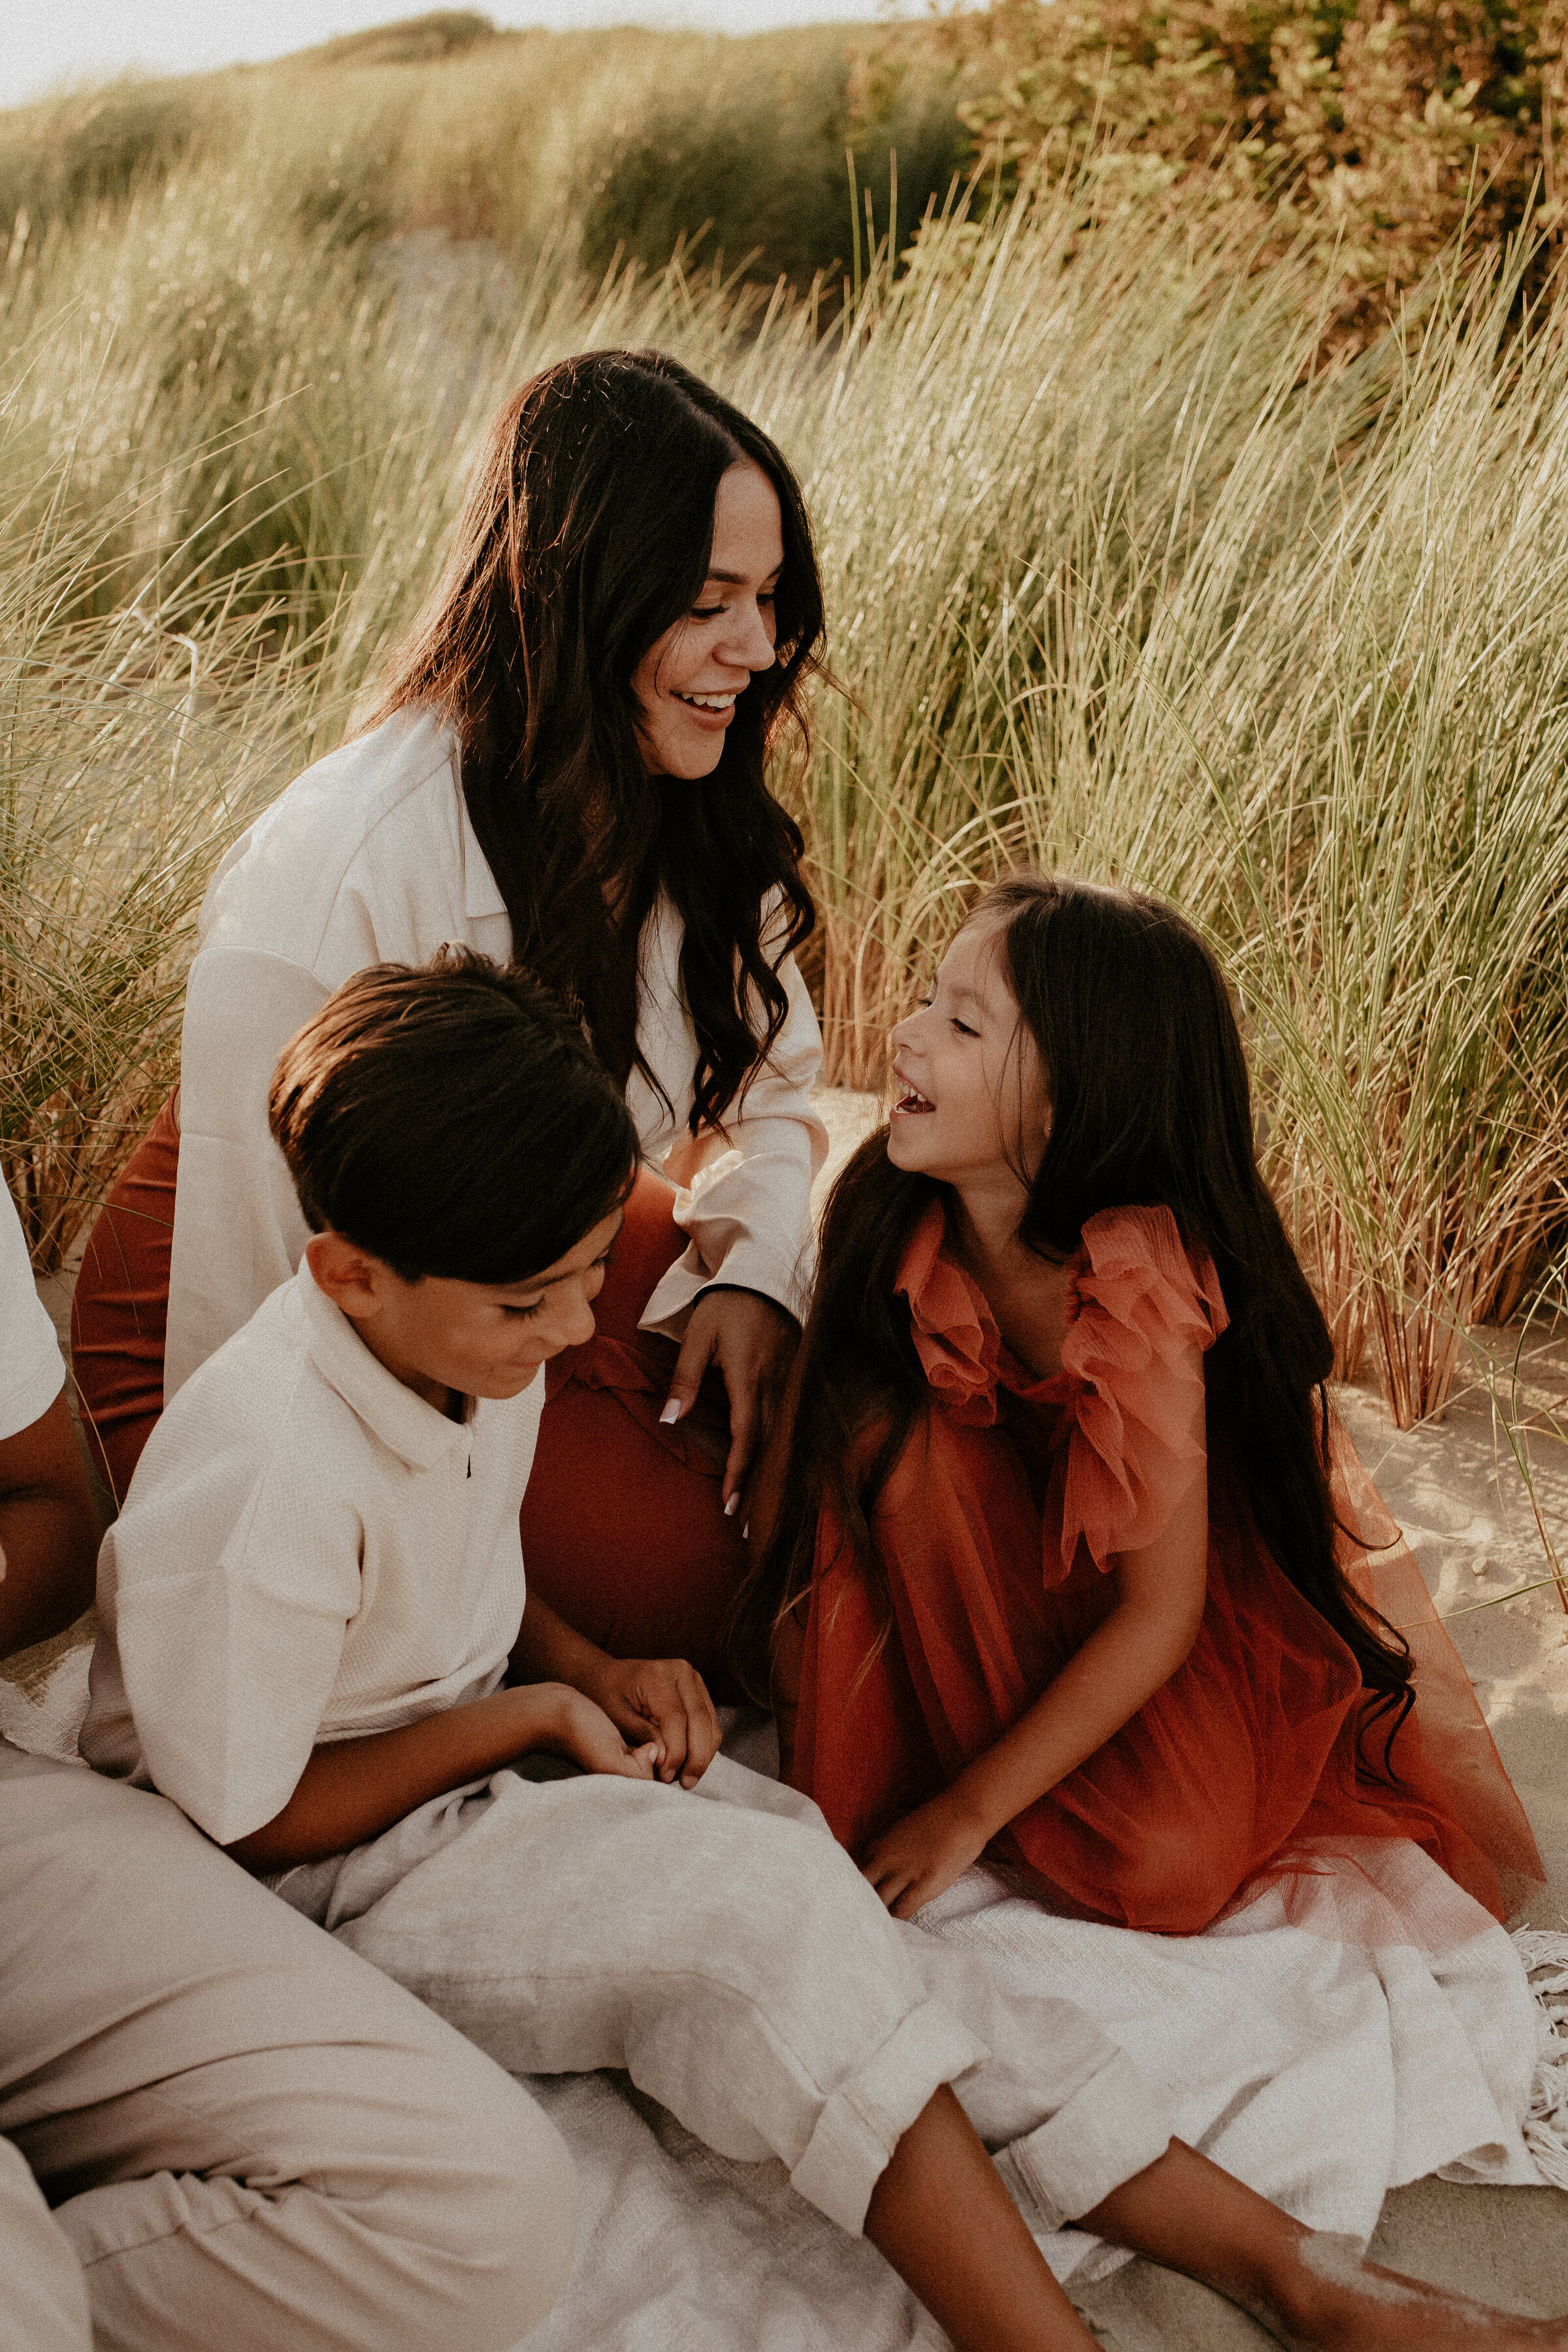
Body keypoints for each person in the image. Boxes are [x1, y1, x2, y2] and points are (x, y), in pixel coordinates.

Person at [78, 951, 1566, 2352]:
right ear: (348, 1278)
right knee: (765, 1942)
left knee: (868, 1944)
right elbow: (250, 1822)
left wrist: (581, 1665)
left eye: (592, 1272)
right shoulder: (263, 1482)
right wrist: (527, 1715)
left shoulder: (475, 1326)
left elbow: (450, 1554)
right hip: (327, 1876)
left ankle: (1299, 2276)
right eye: (535, 1303)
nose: (579, 1324)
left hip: (487, 1763)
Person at [70, 346, 830, 1693]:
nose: (758, 651)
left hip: (539, 1256)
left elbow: (779, 1090)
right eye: (709, 603)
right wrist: (549, 1654)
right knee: (706, 1581)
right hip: (292, 1298)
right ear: (584, 593)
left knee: (822, 1451)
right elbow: (246, 1326)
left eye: (768, 600)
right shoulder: (340, 871)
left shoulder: (688, 796)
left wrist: (760, 1270)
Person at [749, 874, 1543, 1935]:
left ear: (1068, 1098)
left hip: (1121, 1606)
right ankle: (939, 1734)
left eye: (961, 1022)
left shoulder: (1133, 1287)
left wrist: (968, 1813)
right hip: (953, 1572)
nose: (904, 1034)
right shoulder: (897, 1228)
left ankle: (998, 1761)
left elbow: (1159, 1615)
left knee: (1170, 1869)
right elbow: (812, 1483)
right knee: (895, 1442)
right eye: (928, 999)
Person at [0, 1177, 579, 2352]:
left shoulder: (464, 1371)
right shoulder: (293, 1447)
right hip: (263, 1811)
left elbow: (51, 1517)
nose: (574, 1323)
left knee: (480, 2214)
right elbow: (242, 1802)